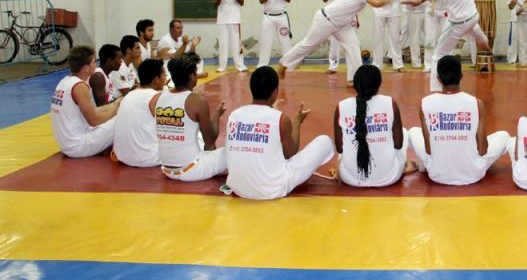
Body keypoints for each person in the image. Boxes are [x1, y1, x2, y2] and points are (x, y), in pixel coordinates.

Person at [225, 66, 335, 200]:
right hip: (271, 189)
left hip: (238, 188)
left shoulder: (234, 115)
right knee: (325, 142)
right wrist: (297, 122)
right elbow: (290, 153)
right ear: (275, 92)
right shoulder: (280, 118)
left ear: (251, 89)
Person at [409, 55, 510, 185]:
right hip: (473, 173)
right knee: (504, 136)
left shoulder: (425, 103)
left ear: (438, 79)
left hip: (437, 173)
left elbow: (428, 150)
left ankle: (431, 164)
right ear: (462, 76)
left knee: (412, 132)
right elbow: (483, 150)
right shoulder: (476, 103)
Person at [277, 0, 393, 84]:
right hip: (326, 19)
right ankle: (284, 63)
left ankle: (354, 79)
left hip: (341, 24)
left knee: (353, 46)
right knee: (308, 44)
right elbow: (377, 3)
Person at [403, 0, 491, 92]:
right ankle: (484, 41)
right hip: (473, 15)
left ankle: (435, 90)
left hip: (459, 22)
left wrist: (420, 0)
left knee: (437, 55)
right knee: (475, 32)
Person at [151, 54, 227, 182]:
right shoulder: (197, 100)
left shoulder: (159, 97)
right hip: (191, 170)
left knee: (194, 136)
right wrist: (216, 116)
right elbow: (210, 140)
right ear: (192, 76)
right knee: (232, 152)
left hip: (166, 169)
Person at [335, 65, 413, 187]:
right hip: (390, 177)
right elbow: (398, 144)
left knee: (346, 144)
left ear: (355, 84)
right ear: (379, 84)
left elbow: (339, 149)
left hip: (350, 179)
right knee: (404, 132)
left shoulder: (341, 106)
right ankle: (403, 165)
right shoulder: (389, 102)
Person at [50, 45, 119, 158]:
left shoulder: (65, 82)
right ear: (86, 68)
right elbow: (94, 120)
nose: (95, 65)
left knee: (118, 111)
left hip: (68, 144)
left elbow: (92, 110)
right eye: (93, 62)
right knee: (124, 116)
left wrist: (115, 104)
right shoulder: (79, 86)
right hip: (79, 146)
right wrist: (117, 109)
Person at [111, 59, 166, 167]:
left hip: (122, 156)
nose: (165, 78)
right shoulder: (156, 97)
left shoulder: (129, 95)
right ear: (156, 79)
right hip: (146, 158)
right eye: (164, 75)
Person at [323, 0, 359, 74]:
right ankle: (333, 66)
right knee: (334, 42)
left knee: (352, 42)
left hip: (350, 14)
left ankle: (354, 67)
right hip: (335, 15)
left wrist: (357, 17)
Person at [373, 0, 406, 71]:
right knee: (378, 38)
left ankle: (398, 64)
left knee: (395, 38)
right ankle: (377, 65)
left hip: (394, 10)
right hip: (379, 11)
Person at [258, 0, 293, 68]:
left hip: (282, 17)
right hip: (268, 17)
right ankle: (262, 65)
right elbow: (261, 0)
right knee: (266, 42)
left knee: (285, 41)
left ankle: (288, 64)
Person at [214, 0, 247, 73]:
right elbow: (215, 5)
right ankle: (222, 66)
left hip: (235, 19)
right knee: (223, 44)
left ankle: (240, 66)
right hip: (222, 20)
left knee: (236, 43)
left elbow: (242, 2)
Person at [419, 0, 447, 73]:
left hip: (445, 11)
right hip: (431, 10)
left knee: (445, 37)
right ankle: (429, 64)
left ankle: (444, 64)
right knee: (430, 39)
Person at [110, 35, 140, 99]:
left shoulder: (130, 64)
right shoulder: (118, 67)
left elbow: (137, 83)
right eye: (137, 48)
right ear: (129, 50)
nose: (140, 51)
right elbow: (126, 94)